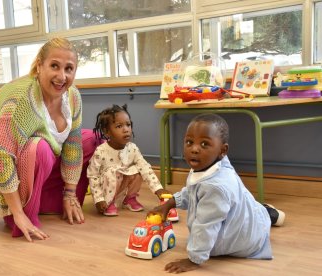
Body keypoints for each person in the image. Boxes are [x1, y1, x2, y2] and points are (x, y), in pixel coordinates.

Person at [0, 37, 98, 242]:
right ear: (39, 66)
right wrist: (17, 213)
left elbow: (72, 145)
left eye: (69, 68)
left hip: (35, 160)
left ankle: (51, 201)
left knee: (89, 139)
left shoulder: (73, 96)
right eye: (54, 66)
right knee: (40, 149)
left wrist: (70, 193)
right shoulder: (21, 99)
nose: (61, 76)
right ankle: (19, 212)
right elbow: (0, 160)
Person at [149, 113, 285, 273]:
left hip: (245, 239)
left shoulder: (216, 187)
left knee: (221, 215)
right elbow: (192, 192)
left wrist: (194, 259)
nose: (194, 149)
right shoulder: (210, 164)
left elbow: (206, 226)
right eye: (189, 142)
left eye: (204, 144)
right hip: (243, 214)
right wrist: (171, 202)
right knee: (245, 206)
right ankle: (264, 213)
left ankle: (265, 214)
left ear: (223, 150)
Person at [87, 104, 170, 216]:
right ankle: (109, 202)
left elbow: (145, 168)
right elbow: (93, 176)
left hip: (122, 190)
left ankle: (130, 199)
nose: (126, 129)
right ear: (107, 132)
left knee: (140, 168)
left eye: (128, 124)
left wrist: (158, 189)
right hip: (105, 193)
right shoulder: (100, 151)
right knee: (112, 171)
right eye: (119, 126)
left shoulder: (133, 148)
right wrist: (99, 199)